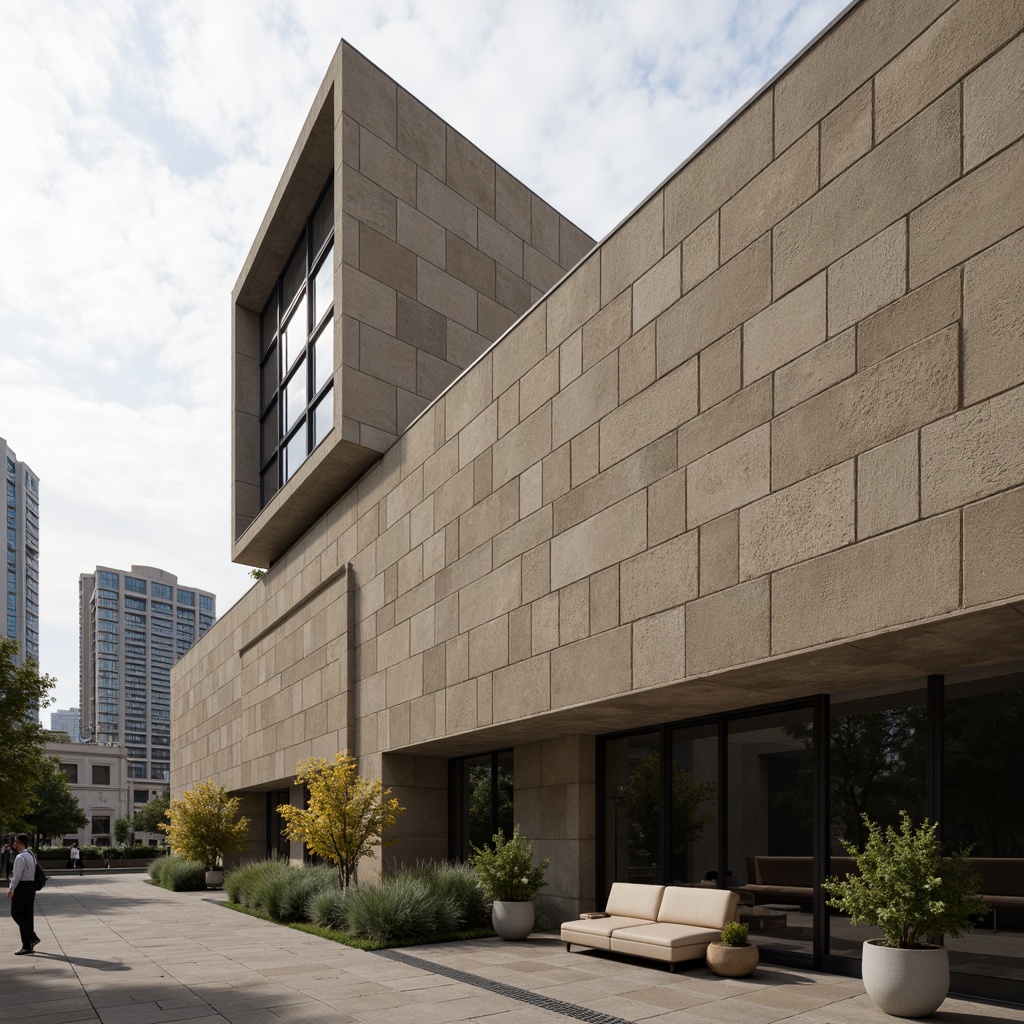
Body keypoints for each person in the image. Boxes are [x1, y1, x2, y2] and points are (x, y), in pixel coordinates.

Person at [7, 834, 40, 955]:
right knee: (27, 916)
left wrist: (11, 889)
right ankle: (27, 946)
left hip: (21, 887)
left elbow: (16, 876)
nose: (14, 844)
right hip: (31, 888)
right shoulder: (31, 855)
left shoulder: (20, 857)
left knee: (15, 913)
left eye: (15, 841)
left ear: (20, 842)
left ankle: (32, 938)